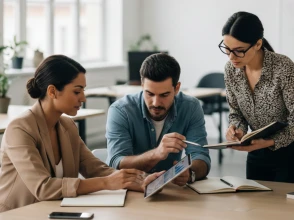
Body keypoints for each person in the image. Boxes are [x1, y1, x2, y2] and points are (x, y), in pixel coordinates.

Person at [0, 55, 161, 212]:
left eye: (83, 91)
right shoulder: (20, 129)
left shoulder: (67, 126)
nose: (83, 98)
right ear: (52, 91)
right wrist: (106, 183)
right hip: (18, 214)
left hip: (55, 212)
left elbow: (96, 169)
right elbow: (43, 188)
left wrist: (137, 180)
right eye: (77, 92)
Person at [106, 53, 211, 186]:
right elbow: (117, 163)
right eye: (149, 94)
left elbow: (201, 157)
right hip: (129, 190)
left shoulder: (190, 107)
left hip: (170, 191)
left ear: (177, 88)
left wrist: (190, 173)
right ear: (142, 85)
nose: (156, 103)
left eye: (164, 95)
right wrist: (157, 154)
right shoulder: (121, 110)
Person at [220, 11, 294, 182]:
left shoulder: (283, 68)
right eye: (227, 49)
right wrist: (236, 130)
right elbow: (236, 112)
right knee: (255, 205)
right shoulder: (231, 70)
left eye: (238, 51)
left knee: (283, 208)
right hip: (255, 153)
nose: (231, 57)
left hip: (289, 153)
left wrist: (268, 142)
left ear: (258, 44)